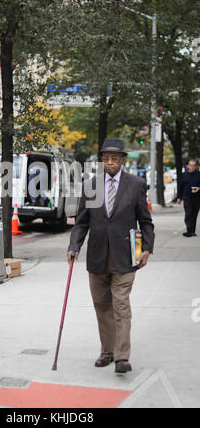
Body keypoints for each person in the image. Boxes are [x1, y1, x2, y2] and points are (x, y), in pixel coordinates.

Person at [67, 138, 155, 374]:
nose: (110, 162)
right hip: (97, 256)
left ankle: (121, 357)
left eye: (114, 158)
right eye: (106, 158)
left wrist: (147, 248)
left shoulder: (136, 184)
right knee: (101, 306)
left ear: (123, 160)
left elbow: (146, 221)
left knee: (121, 305)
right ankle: (107, 352)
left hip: (125, 256)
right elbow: (81, 222)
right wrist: (74, 246)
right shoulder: (91, 186)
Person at [177, 159, 200, 237]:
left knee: (194, 214)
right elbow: (180, 186)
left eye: (194, 165)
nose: (192, 167)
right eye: (190, 165)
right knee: (188, 214)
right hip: (187, 197)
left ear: (196, 166)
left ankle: (192, 231)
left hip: (197, 198)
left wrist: (198, 188)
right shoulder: (184, 175)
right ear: (188, 166)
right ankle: (189, 230)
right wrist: (179, 197)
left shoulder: (198, 174)